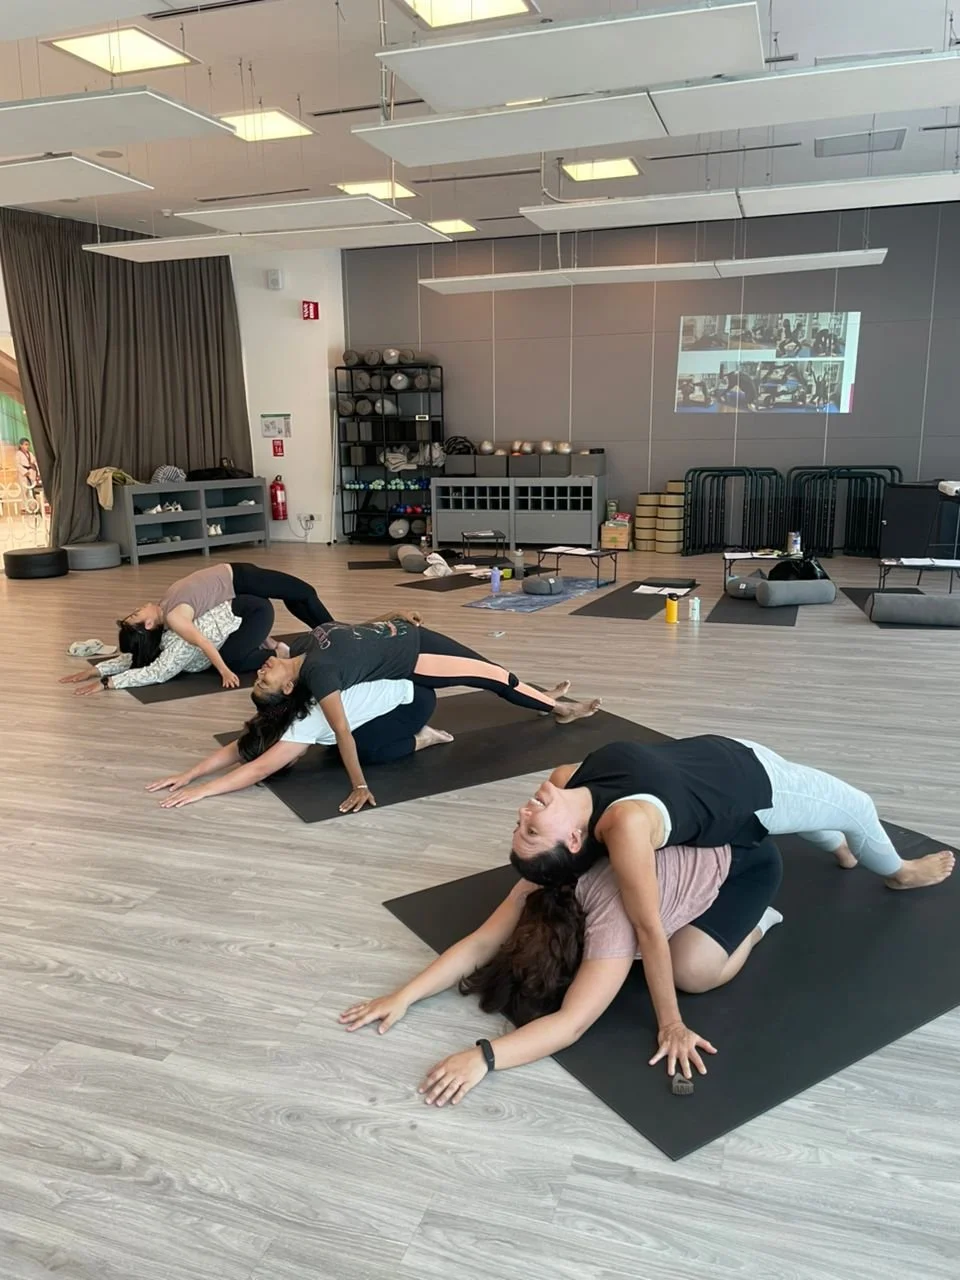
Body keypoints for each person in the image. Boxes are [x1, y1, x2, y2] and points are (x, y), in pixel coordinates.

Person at [508, 737, 955, 1079]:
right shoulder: (620, 827)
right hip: (752, 791)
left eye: (522, 826)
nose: (526, 812)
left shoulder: (566, 781)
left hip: (733, 760)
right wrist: (671, 1024)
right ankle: (887, 867)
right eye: (530, 830)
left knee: (836, 809)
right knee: (846, 808)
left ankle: (880, 863)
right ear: (573, 840)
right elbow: (648, 930)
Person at [339, 837, 784, 1104]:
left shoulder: (611, 923)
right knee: (655, 938)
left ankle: (757, 922)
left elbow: (572, 1023)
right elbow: (481, 942)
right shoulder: (543, 879)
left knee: (691, 972)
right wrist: (403, 996)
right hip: (680, 859)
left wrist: (484, 1058)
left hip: (745, 865)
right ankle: (690, 908)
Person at [251, 617, 601, 814]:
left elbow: (350, 631)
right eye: (264, 680)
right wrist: (360, 784)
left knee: (486, 668)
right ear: (287, 688)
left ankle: (537, 697)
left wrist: (392, 614)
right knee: (491, 676)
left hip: (407, 633)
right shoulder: (318, 674)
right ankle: (560, 709)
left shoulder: (301, 648)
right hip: (415, 658)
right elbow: (342, 731)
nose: (260, 671)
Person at [146, 680, 450, 807]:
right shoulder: (280, 713)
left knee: (364, 752)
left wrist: (202, 790)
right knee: (338, 744)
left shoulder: (301, 726)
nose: (285, 760)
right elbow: (243, 746)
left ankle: (422, 737)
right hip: (408, 688)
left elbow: (258, 769)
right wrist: (190, 774)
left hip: (414, 703)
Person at [119, 562, 332, 690]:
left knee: (301, 595)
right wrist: (225, 672)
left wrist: (267, 641)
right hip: (242, 581)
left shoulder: (166, 607)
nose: (139, 607)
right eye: (137, 614)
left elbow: (213, 603)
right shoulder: (175, 619)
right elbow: (203, 641)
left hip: (240, 578)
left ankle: (332, 631)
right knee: (304, 594)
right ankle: (333, 633)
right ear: (148, 624)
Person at [60, 595, 278, 695]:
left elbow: (157, 672)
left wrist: (108, 683)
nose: (137, 608)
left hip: (254, 612)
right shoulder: (161, 638)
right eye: (135, 614)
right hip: (240, 615)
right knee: (223, 655)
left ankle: (279, 652)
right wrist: (96, 670)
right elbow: (137, 658)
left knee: (233, 662)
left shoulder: (178, 642)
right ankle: (263, 641)